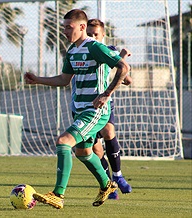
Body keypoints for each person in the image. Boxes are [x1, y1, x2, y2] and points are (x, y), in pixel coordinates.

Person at [24, 9, 130, 208]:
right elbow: (64, 79)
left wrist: (106, 94)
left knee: (63, 142)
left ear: (82, 27)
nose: (64, 31)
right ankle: (107, 185)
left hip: (95, 111)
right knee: (83, 153)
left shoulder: (95, 47)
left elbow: (124, 68)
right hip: (79, 110)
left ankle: (58, 194)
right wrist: (38, 80)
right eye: (63, 27)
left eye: (68, 27)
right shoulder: (72, 51)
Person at [77, 18, 133, 200]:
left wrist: (122, 59)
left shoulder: (107, 51)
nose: (93, 37)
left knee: (109, 131)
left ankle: (118, 175)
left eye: (96, 34)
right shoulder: (82, 51)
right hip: (84, 106)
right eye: (90, 34)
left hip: (103, 104)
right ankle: (110, 184)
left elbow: (127, 79)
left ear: (103, 35)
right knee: (96, 150)